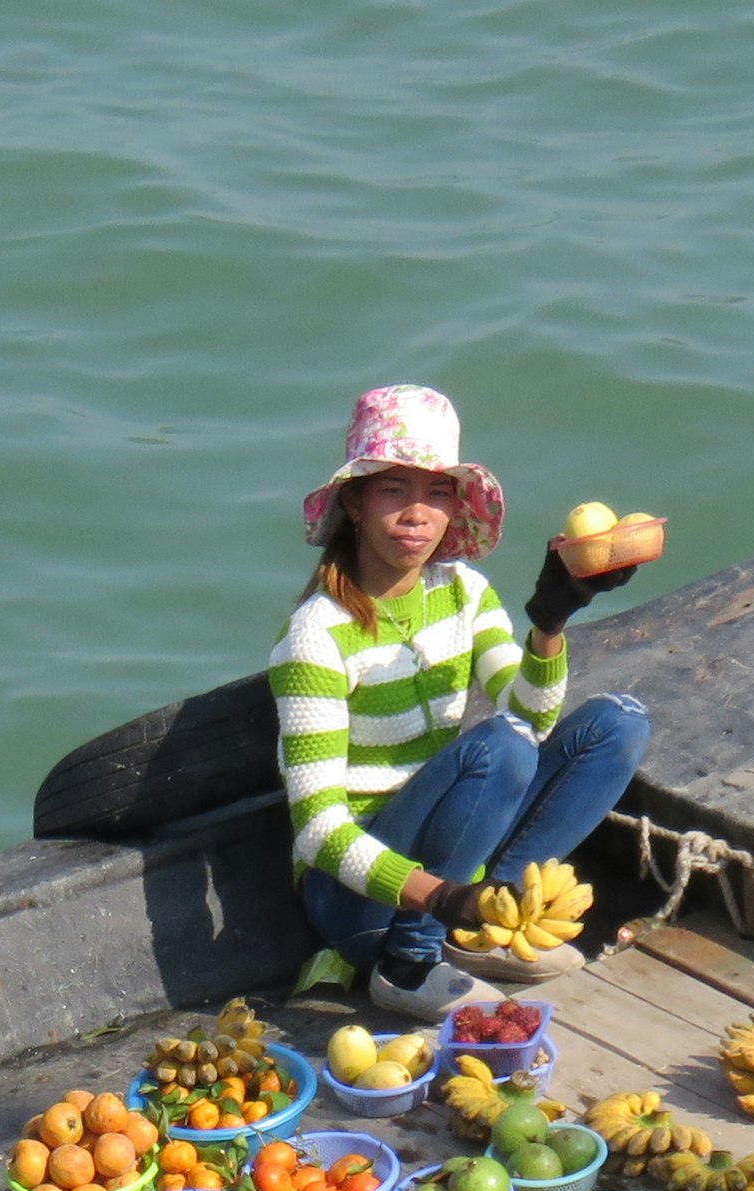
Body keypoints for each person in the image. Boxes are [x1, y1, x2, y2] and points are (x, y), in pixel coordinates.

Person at [273, 385, 654, 1017]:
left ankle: (492, 922)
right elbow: (318, 833)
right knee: (497, 748)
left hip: (450, 869)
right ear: (356, 503)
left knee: (618, 722)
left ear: (456, 508)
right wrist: (439, 896)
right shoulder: (316, 636)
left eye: (437, 492)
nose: (416, 512)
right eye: (393, 490)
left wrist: (549, 623)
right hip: (357, 900)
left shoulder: (463, 593)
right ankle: (408, 962)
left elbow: (532, 718)